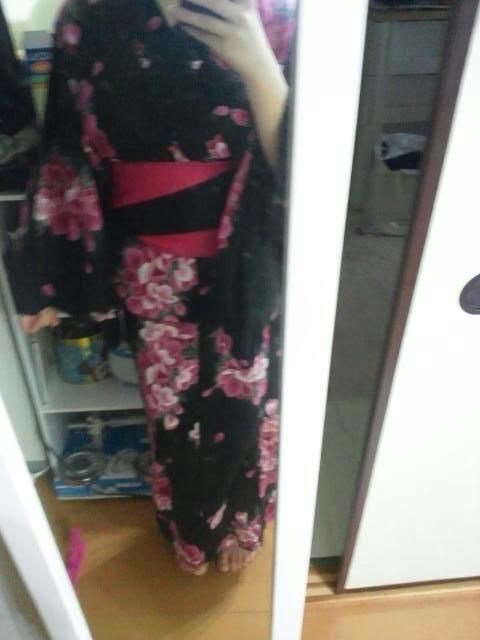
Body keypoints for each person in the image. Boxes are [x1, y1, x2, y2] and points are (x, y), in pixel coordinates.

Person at [8, 0, 295, 574]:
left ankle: (242, 519)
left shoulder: (281, 13)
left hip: (252, 253)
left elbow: (312, 166)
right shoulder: (88, 17)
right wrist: (46, 280)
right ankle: (191, 532)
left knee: (251, 399)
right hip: (152, 265)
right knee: (172, 413)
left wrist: (261, 67)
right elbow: (65, 147)